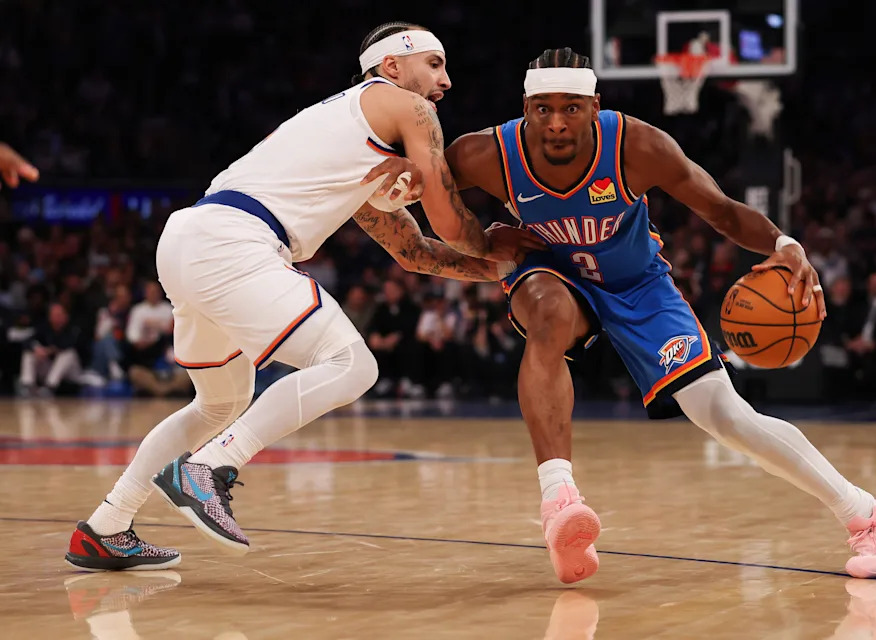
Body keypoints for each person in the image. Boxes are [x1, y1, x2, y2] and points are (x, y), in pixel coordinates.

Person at [65, 21, 540, 571]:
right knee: (352, 365)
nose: (447, 80)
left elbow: (414, 253)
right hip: (235, 243)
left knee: (217, 403)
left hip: (190, 238)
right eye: (433, 64)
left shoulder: (344, 135)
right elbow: (449, 220)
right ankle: (211, 467)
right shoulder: (405, 108)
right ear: (391, 67)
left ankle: (106, 526)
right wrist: (502, 246)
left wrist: (499, 266)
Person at [444, 48, 876, 583]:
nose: (554, 122)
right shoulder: (485, 154)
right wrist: (480, 240)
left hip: (639, 284)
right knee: (547, 316)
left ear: (595, 106)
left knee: (726, 416)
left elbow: (721, 209)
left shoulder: (638, 146)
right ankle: (559, 503)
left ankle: (867, 515)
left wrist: (784, 242)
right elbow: (423, 197)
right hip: (551, 270)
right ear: (524, 107)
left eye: (570, 107)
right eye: (542, 108)